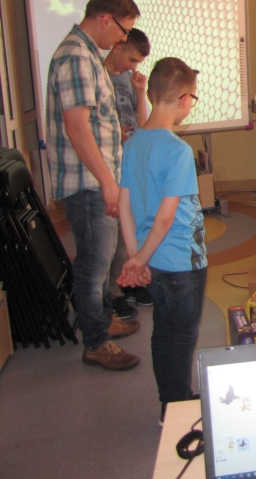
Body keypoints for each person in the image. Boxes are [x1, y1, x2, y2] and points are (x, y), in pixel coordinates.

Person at [47, 0, 141, 371]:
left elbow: (94, 121)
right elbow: (77, 127)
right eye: (122, 30)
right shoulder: (76, 56)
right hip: (88, 184)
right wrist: (107, 182)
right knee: (93, 265)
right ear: (105, 19)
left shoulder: (88, 54)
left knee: (100, 262)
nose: (122, 39)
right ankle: (96, 342)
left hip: (96, 179)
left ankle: (102, 320)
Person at [116, 57, 208, 420]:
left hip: (152, 260)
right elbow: (166, 218)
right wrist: (138, 260)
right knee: (182, 337)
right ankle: (178, 408)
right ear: (184, 99)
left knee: (163, 331)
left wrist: (136, 256)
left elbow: (124, 204)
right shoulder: (178, 151)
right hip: (182, 262)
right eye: (193, 99)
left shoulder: (134, 143)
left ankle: (169, 403)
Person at [106, 28, 153, 308]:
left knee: (131, 230)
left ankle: (132, 283)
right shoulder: (101, 77)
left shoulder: (128, 79)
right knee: (112, 235)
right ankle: (114, 291)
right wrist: (116, 134)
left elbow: (141, 123)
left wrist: (140, 91)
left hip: (130, 163)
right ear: (117, 47)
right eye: (132, 60)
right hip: (110, 165)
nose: (134, 67)